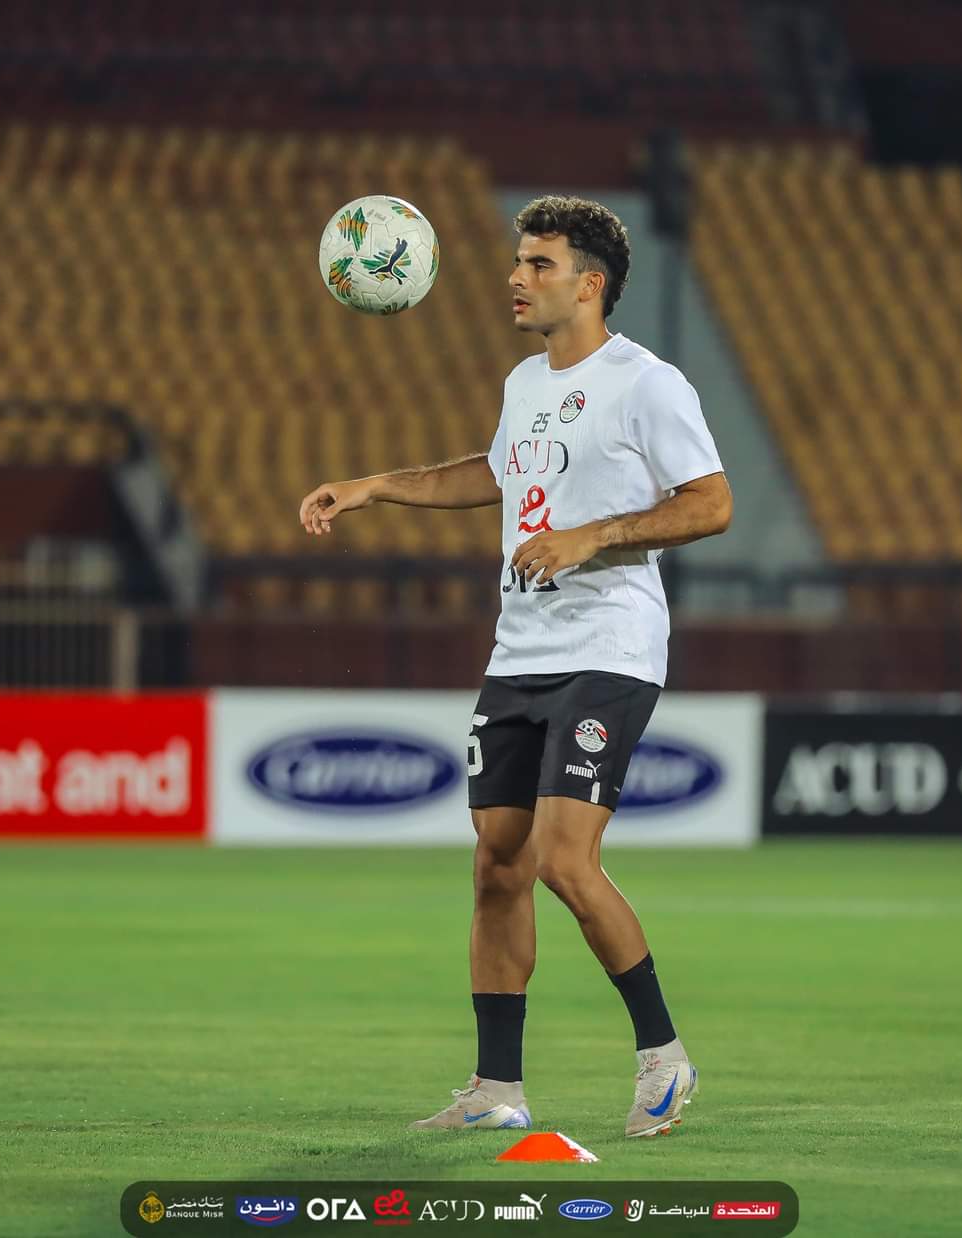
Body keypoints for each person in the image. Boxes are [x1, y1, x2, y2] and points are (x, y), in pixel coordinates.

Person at [298, 195, 732, 1138]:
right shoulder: (527, 381)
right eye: (519, 260)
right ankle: (497, 1091)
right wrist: (376, 486)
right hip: (522, 650)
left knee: (564, 861)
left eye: (539, 264)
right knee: (498, 865)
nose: (516, 277)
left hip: (610, 646)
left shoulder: (648, 384)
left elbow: (710, 503)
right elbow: (496, 474)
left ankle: (664, 1056)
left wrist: (593, 534)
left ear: (590, 283)